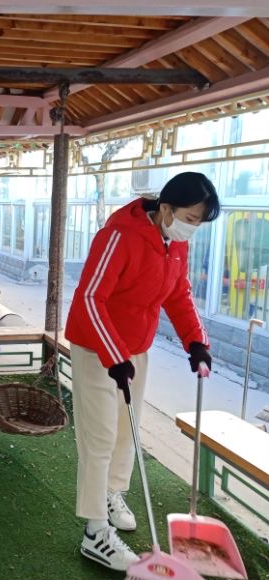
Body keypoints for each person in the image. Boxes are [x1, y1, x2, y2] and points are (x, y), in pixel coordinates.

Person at [64, 172, 220, 572]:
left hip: (135, 350)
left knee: (125, 431)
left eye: (199, 223)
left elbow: (178, 293)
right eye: (190, 218)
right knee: (98, 437)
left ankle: (113, 494)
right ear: (166, 209)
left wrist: (195, 341)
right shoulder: (120, 235)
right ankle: (95, 531)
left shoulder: (174, 244)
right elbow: (90, 299)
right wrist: (114, 355)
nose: (192, 229)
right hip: (97, 348)